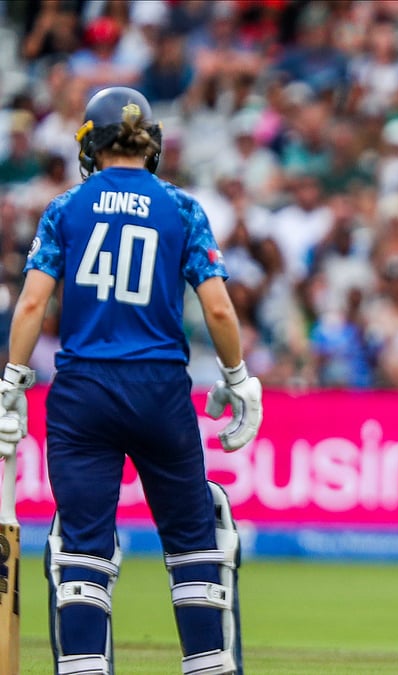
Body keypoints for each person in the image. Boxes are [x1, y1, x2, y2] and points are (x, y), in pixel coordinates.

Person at [0, 86, 263, 675]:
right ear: (153, 143)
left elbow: (32, 306)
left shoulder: (66, 208)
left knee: (82, 549)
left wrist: (10, 380)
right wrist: (238, 377)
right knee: (197, 540)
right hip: (159, 391)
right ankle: (209, 664)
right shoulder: (182, 207)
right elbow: (219, 310)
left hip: (84, 392)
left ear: (90, 145)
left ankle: (85, 667)